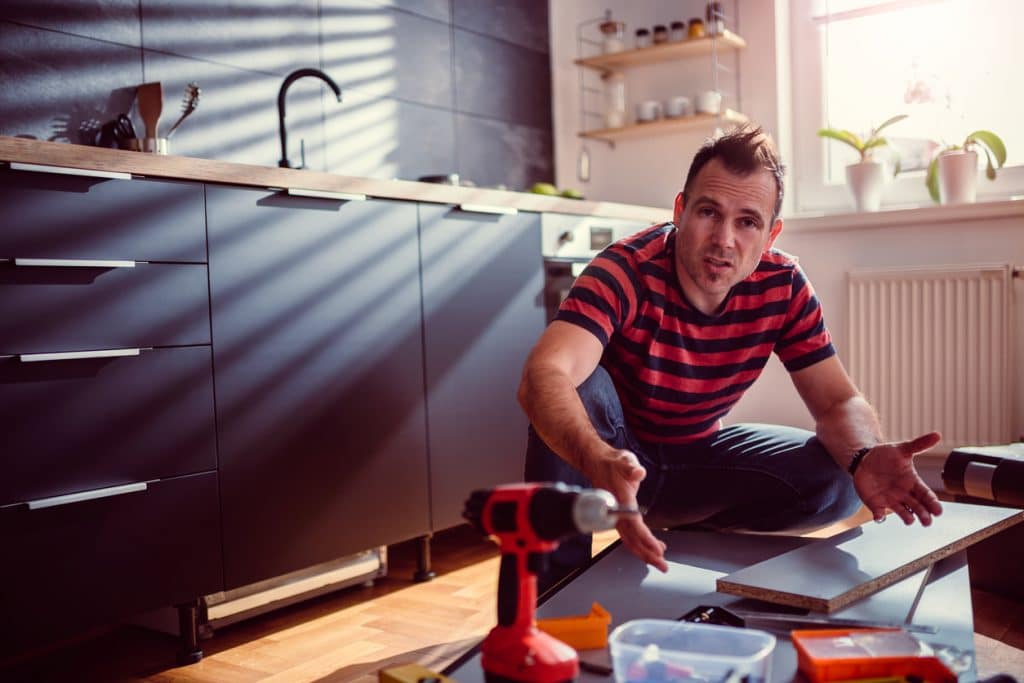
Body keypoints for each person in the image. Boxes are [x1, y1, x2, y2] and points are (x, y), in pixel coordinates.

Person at [517, 125, 943, 588]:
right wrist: (599, 459)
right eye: (708, 212)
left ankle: (689, 542)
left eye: (747, 222)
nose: (724, 240)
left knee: (836, 479)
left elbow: (837, 403)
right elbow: (545, 374)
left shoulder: (783, 284)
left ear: (770, 234)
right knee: (580, 384)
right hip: (610, 455)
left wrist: (864, 454)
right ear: (680, 210)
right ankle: (549, 592)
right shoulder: (625, 269)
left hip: (697, 457)